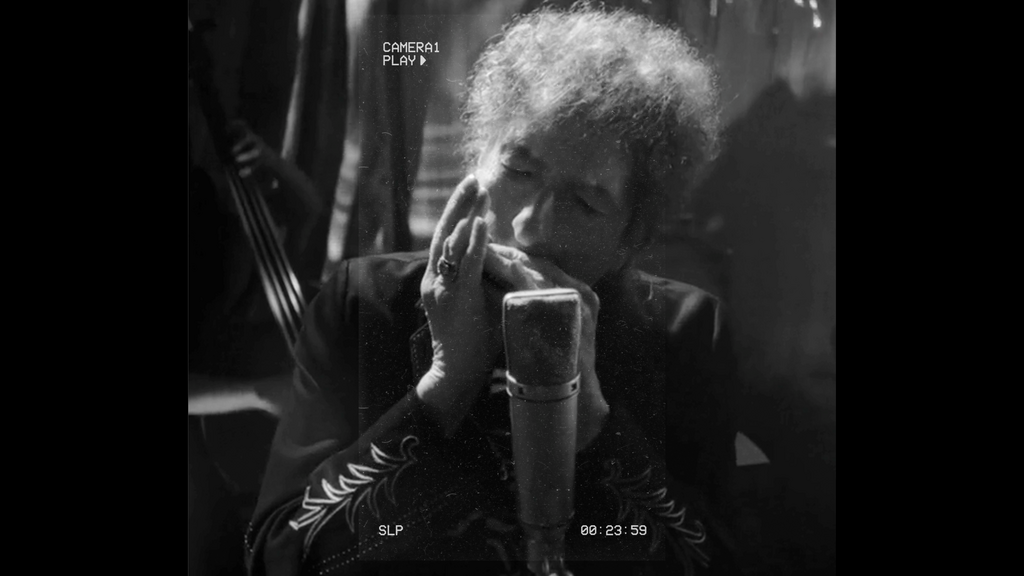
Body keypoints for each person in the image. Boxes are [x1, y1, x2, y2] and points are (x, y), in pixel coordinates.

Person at [247, 6, 740, 576]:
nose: (531, 225)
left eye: (585, 202)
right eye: (518, 169)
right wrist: (444, 382)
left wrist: (589, 417)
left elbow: (712, 562)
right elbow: (277, 558)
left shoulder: (683, 331)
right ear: (475, 160)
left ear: (630, 237)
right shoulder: (366, 303)